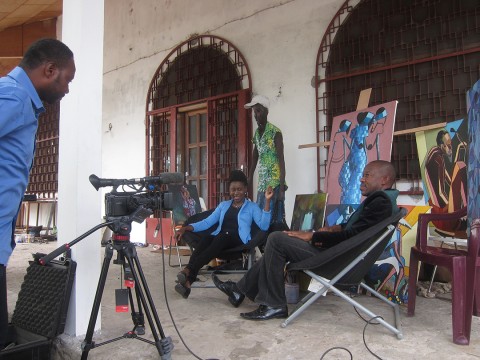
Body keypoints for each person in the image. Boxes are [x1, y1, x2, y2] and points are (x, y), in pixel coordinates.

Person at [213, 160, 398, 320]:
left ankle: (274, 304)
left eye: (367, 175)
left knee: (277, 238)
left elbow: (354, 237)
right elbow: (355, 229)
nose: (361, 179)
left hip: (338, 262)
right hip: (341, 256)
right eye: (363, 175)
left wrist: (313, 236)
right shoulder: (382, 201)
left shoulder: (380, 202)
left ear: (384, 180)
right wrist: (333, 228)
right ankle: (239, 290)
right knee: (282, 239)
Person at [0, 38, 75, 349]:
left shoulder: (18, 98)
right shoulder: (14, 96)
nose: (67, 89)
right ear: (50, 69)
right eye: (67, 79)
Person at [174, 170, 273, 299]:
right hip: (220, 240)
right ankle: (188, 282)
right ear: (229, 190)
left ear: (245, 190)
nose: (236, 192)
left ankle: (188, 270)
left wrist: (267, 202)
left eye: (239, 189)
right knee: (207, 238)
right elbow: (207, 222)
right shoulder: (223, 206)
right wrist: (186, 228)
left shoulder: (252, 207)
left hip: (239, 240)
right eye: (233, 189)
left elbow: (264, 225)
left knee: (221, 237)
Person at [246, 95, 286, 225]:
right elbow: (254, 161)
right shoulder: (257, 134)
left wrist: (281, 191)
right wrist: (248, 181)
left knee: (273, 219)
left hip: (274, 183)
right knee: (260, 218)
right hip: (262, 184)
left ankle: (273, 243)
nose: (256, 115)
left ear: (266, 112)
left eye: (259, 111)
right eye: (254, 112)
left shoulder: (275, 133)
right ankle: (263, 244)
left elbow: (281, 160)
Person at [424, 129, 467, 233]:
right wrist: (453, 209)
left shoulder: (435, 154)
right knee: (460, 166)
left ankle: (465, 211)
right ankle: (465, 212)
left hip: (437, 209)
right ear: (441, 145)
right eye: (448, 145)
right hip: (441, 214)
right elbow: (440, 192)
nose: (450, 148)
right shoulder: (437, 159)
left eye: (451, 144)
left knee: (459, 167)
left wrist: (457, 150)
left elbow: (450, 180)